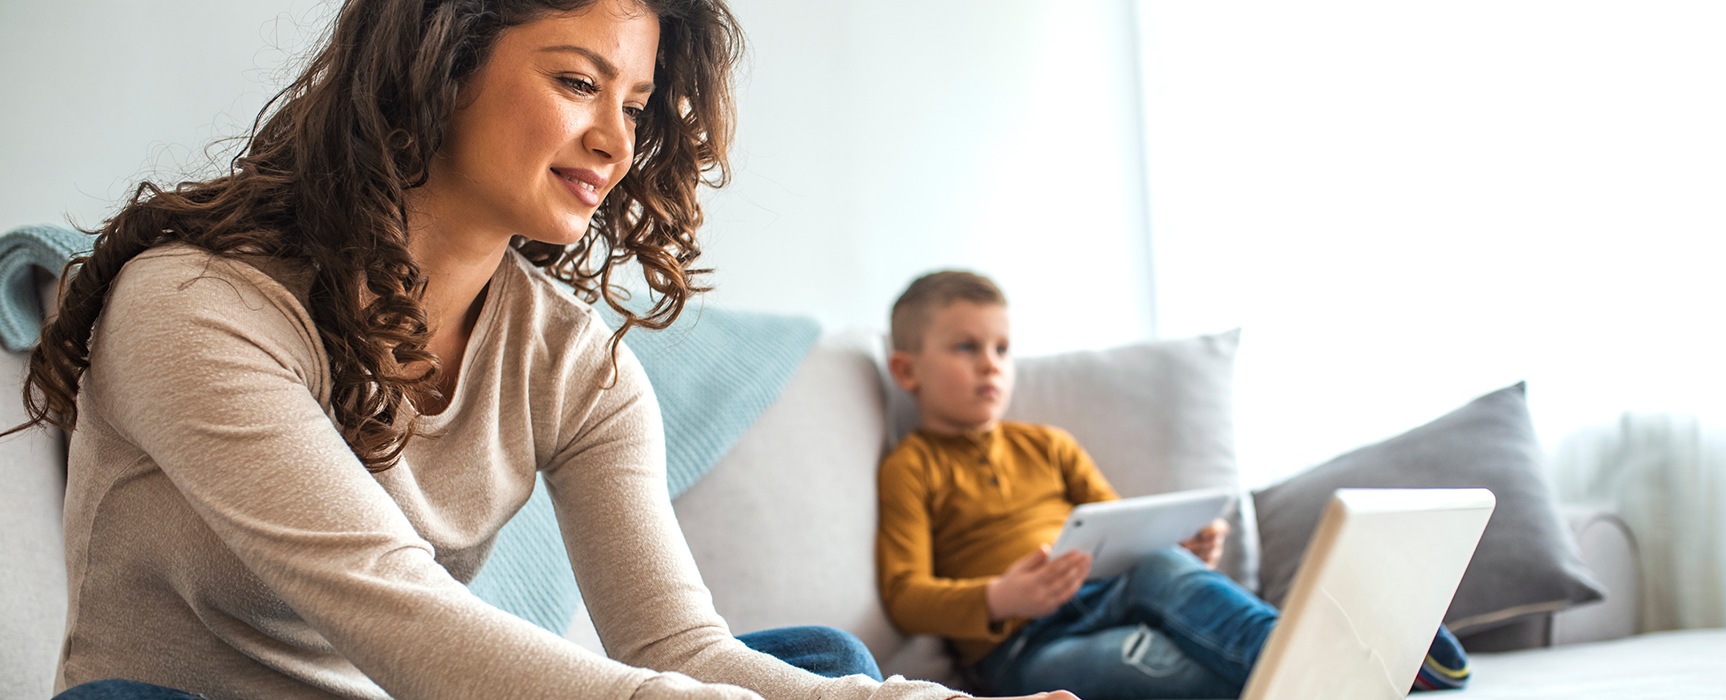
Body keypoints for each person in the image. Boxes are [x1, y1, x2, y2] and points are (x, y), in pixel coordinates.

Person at [11, 1, 1077, 698]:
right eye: (577, 84)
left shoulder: (579, 367)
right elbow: (394, 607)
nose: (617, 143)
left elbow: (677, 647)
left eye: (636, 105)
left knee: (822, 668)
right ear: (442, 65)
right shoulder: (197, 304)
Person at [876, 270, 1472, 699]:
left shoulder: (1047, 443)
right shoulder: (912, 467)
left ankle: (1322, 656)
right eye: (966, 347)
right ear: (906, 370)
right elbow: (904, 593)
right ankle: (1360, 664)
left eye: (1002, 348)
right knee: (1161, 664)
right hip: (1023, 652)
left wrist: (1175, 547)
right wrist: (1000, 599)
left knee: (1162, 564)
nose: (991, 365)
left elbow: (1121, 530)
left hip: (1112, 593)